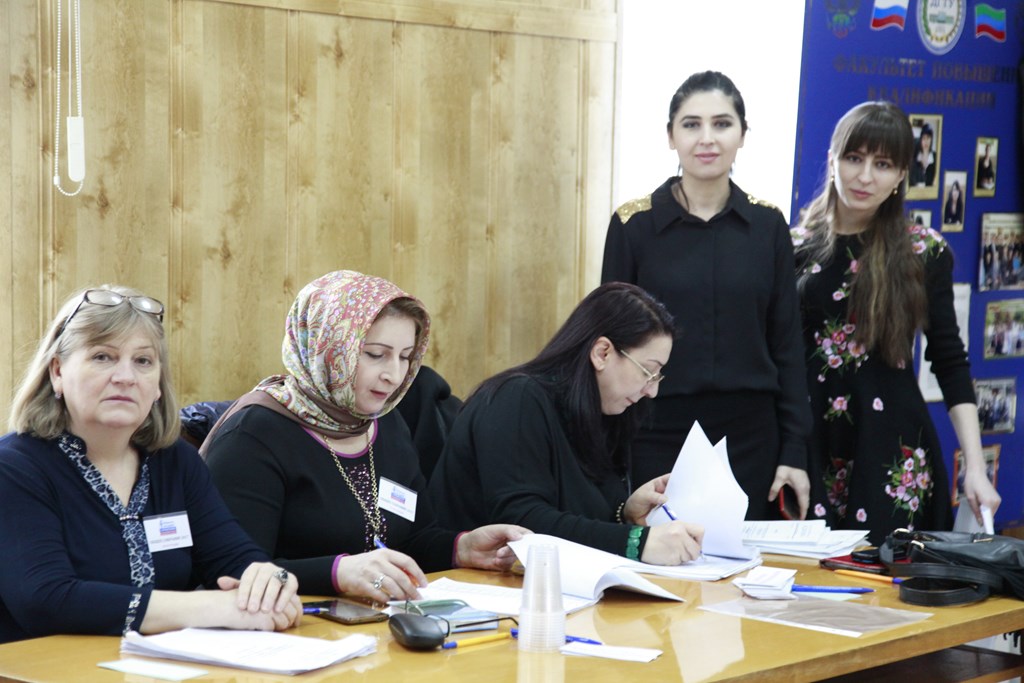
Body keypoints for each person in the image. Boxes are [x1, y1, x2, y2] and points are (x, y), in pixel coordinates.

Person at [202, 270, 527, 602]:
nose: (394, 375)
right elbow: (234, 572)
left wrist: (461, 548)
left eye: (405, 357)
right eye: (375, 354)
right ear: (328, 348)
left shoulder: (385, 422)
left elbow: (411, 540)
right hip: (292, 624)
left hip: (373, 621)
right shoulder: (254, 436)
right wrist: (338, 573)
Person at [0, 286, 300, 644]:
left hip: (158, 664)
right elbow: (45, 600)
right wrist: (210, 608)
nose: (125, 377)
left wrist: (269, 583)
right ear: (57, 372)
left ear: (157, 384)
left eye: (143, 361)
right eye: (103, 357)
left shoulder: (175, 461)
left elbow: (234, 558)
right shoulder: (14, 467)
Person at [600, 70, 811, 520]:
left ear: (743, 134)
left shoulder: (768, 226)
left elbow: (788, 345)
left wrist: (794, 448)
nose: (707, 138)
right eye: (691, 124)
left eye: (722, 123)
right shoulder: (633, 225)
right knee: (662, 555)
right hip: (656, 428)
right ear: (670, 136)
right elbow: (608, 345)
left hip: (751, 435)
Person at [791, 101, 1001, 544]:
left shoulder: (924, 251)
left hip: (891, 448)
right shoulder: (792, 247)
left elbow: (950, 361)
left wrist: (976, 467)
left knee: (890, 578)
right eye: (854, 158)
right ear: (832, 159)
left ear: (902, 174)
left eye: (883, 164)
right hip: (808, 442)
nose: (865, 176)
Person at [429, 282, 704, 565]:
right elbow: (524, 522)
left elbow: (577, 518)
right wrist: (637, 542)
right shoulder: (517, 398)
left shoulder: (604, 411)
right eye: (648, 371)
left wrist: (624, 511)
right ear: (602, 353)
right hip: (475, 582)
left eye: (658, 376)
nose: (652, 390)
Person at [909, 122, 935, 187]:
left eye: (928, 138)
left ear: (931, 140)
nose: (926, 141)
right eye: (923, 138)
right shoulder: (915, 158)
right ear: (920, 140)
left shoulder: (935, 158)